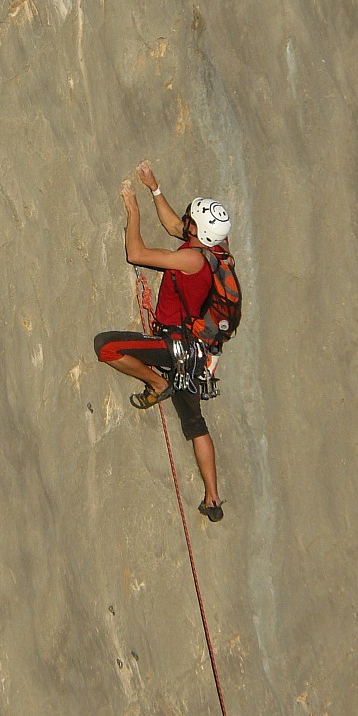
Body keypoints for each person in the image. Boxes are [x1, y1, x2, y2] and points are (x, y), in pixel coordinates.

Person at [94, 161, 233, 523]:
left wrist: (133, 211)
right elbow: (175, 226)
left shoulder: (190, 259)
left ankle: (157, 383)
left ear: (198, 229)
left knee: (107, 348)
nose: (183, 220)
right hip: (196, 354)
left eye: (190, 218)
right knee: (195, 423)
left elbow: (136, 254)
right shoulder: (215, 250)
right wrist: (155, 189)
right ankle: (213, 498)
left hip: (173, 349)